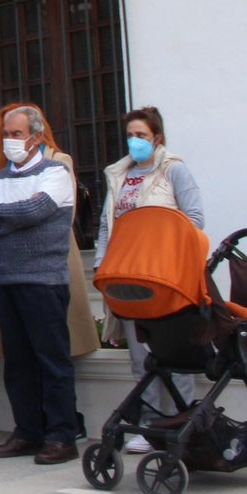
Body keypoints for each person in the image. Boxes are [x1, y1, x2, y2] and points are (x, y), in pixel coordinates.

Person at [0, 104, 78, 464]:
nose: (9, 141)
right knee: (18, 363)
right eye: (6, 135)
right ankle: (27, 432)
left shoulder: (56, 173)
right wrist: (15, 214)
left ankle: (61, 435)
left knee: (53, 361)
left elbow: (38, 212)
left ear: (36, 136)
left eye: (16, 134)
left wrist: (0, 212)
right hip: (7, 280)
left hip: (44, 281)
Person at [94, 106, 205, 452]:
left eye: (141, 135)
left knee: (175, 354)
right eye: (130, 135)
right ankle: (149, 424)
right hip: (128, 276)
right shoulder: (119, 175)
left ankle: (182, 422)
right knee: (142, 358)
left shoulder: (174, 170)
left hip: (165, 275)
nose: (134, 141)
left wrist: (161, 239)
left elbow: (195, 219)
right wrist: (101, 265)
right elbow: (105, 226)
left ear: (157, 137)